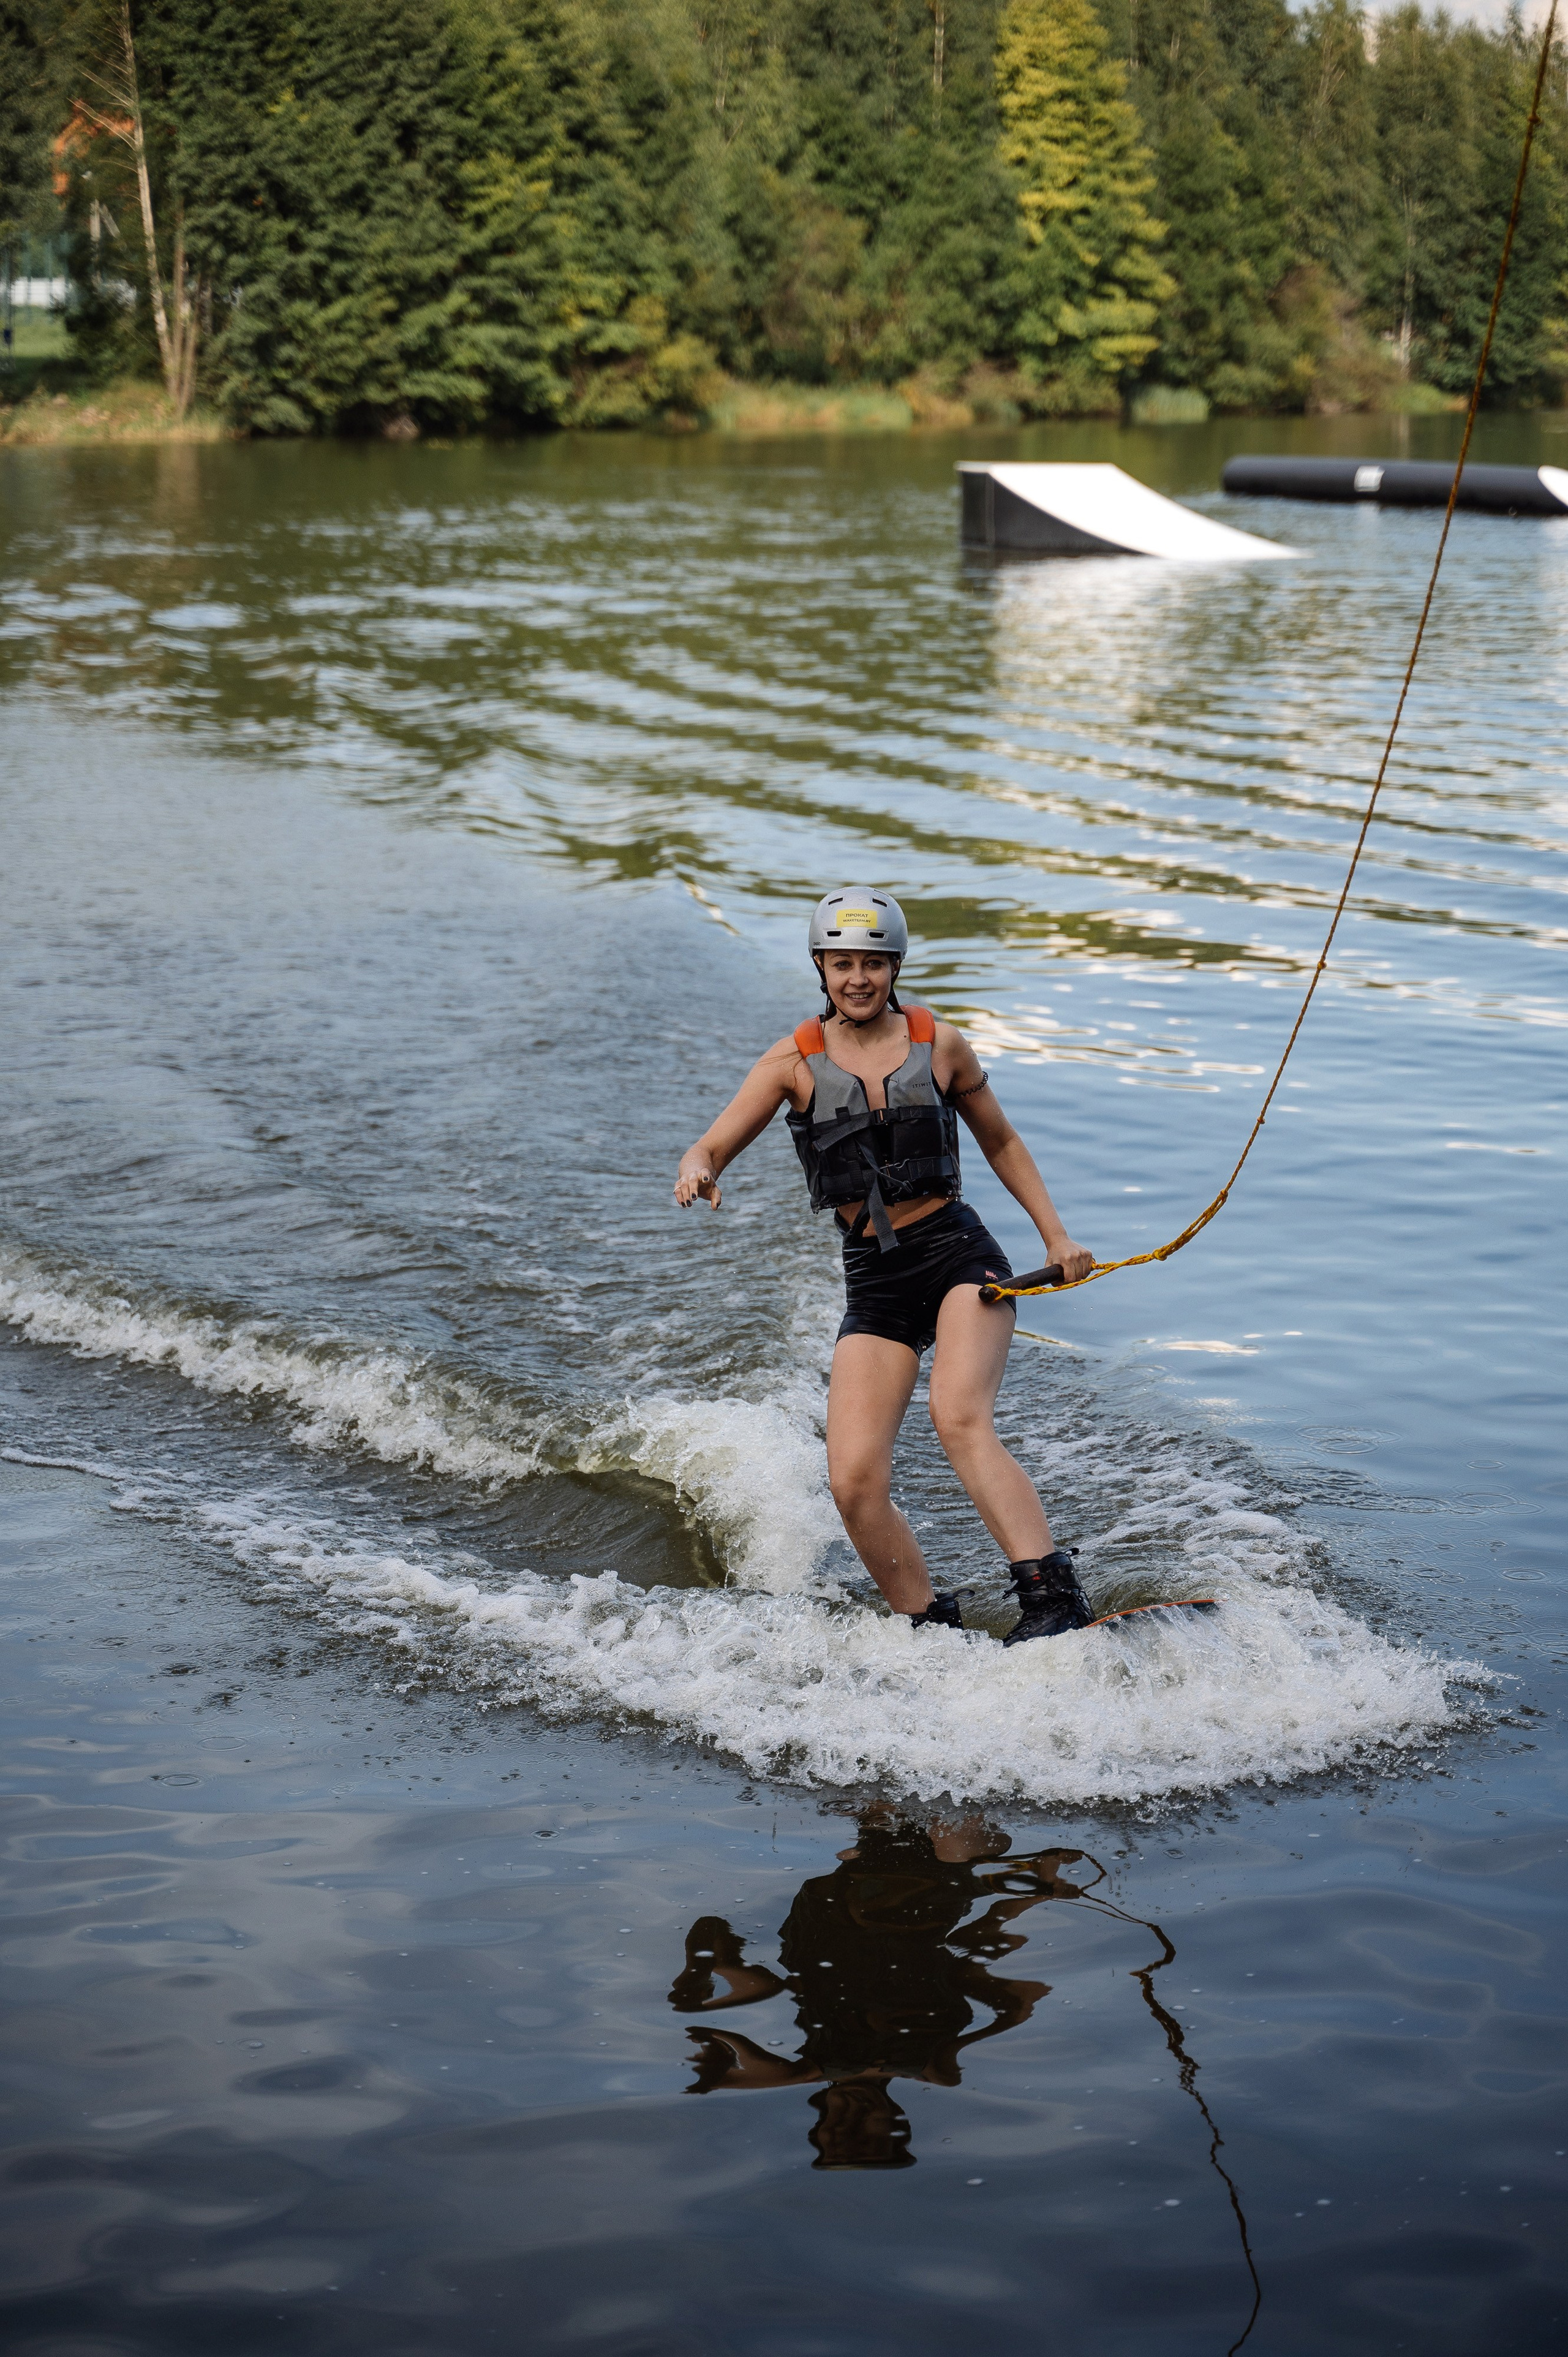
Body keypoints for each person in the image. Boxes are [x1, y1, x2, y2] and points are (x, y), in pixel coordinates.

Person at [674, 885, 1095, 1643]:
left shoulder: (943, 1045)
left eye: (873, 963)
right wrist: (697, 1168)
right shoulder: (790, 1061)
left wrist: (1056, 1238)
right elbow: (710, 1143)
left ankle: (1054, 1599)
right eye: (842, 964)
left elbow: (1001, 1141)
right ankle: (927, 1622)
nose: (858, 979)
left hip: (958, 1255)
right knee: (853, 1478)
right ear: (821, 967)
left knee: (958, 1414)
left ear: (894, 967)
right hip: (874, 1276)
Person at [667, 1809, 1095, 2168]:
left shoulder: (813, 2069)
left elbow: (725, 2067)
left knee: (926, 1835)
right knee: (939, 1836)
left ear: (821, 2121)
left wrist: (717, 2074)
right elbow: (995, 1990)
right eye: (865, 2139)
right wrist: (1038, 1897)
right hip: (912, 1921)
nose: (849, 2126)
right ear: (894, 2120)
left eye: (834, 2134)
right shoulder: (935, 2069)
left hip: (839, 1928)